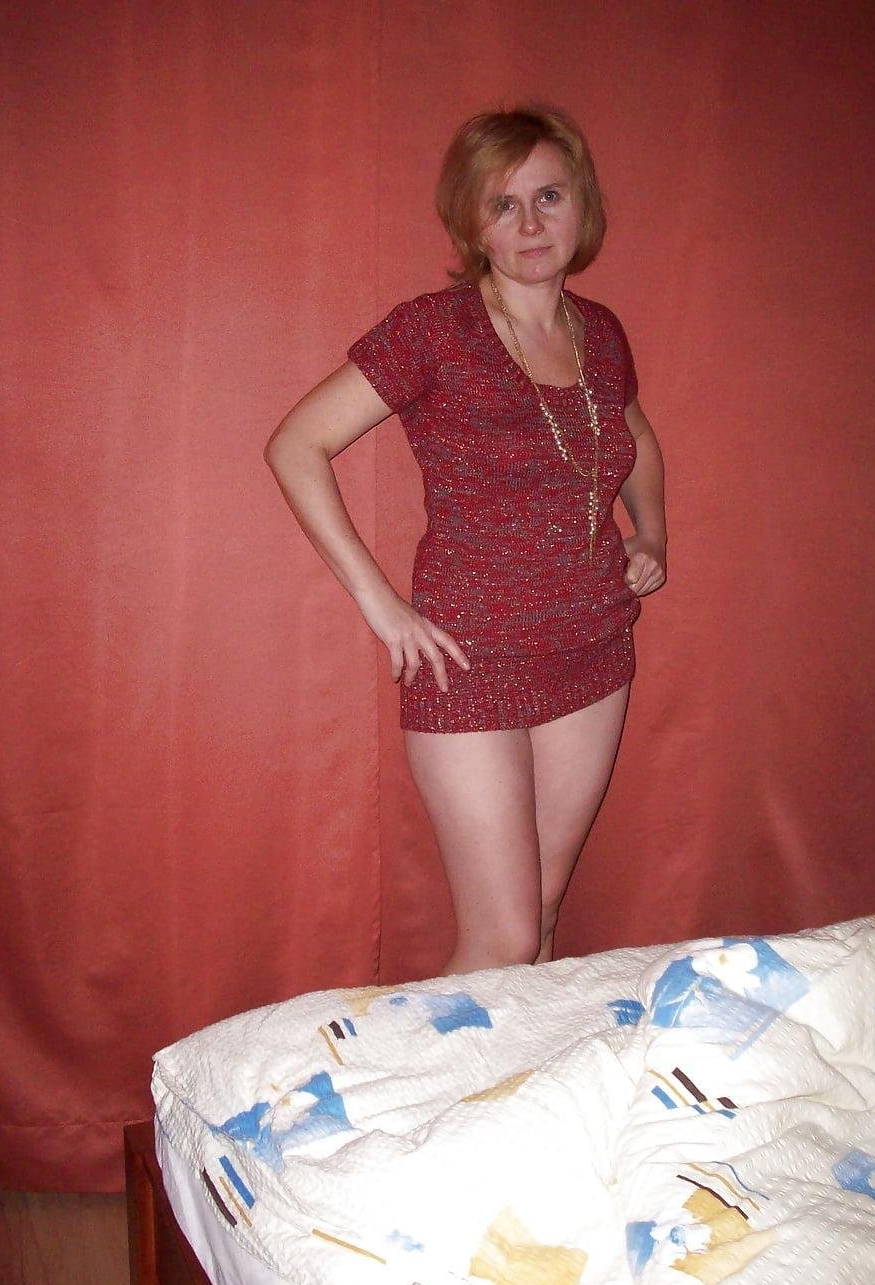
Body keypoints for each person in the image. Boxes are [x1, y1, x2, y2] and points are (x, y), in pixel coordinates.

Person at [264, 104, 666, 976]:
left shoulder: (599, 333)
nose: (530, 224)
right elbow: (297, 445)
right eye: (502, 205)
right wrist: (382, 606)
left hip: (593, 645)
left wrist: (653, 535)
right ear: (473, 225)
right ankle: (415, 1074)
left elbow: (635, 435)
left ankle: (516, 1070)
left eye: (549, 196)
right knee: (504, 937)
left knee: (544, 912)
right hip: (469, 656)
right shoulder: (432, 330)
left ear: (581, 204)